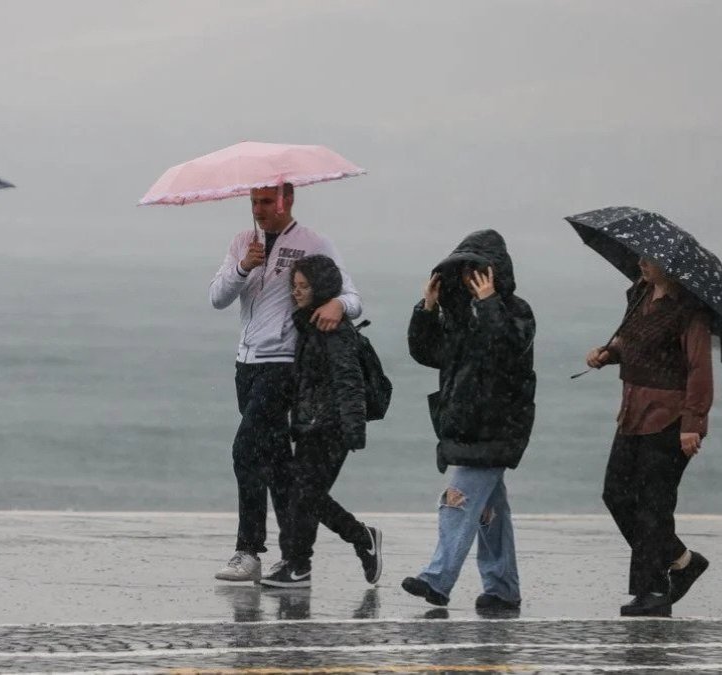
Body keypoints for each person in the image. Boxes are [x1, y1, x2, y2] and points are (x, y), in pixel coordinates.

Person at [209, 183, 362, 582]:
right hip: (246, 364)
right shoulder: (243, 241)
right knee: (279, 467)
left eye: (266, 202)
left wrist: (336, 304)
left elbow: (353, 296)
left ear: (287, 199)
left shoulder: (314, 242)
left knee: (245, 450)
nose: (259, 210)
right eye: (254, 203)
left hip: (282, 365)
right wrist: (244, 267)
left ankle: (248, 550)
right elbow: (217, 297)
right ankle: (300, 558)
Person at [400, 230, 535, 615]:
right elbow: (428, 353)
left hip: (498, 424)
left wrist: (490, 302)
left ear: (496, 272)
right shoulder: (457, 316)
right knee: (491, 513)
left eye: (479, 271)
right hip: (464, 424)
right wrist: (426, 309)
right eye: (463, 271)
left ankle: (436, 578)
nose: (470, 279)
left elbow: (507, 348)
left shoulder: (516, 311)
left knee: (456, 501)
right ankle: (503, 587)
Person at [585, 256, 713, 617]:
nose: (641, 263)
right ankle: (683, 561)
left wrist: (693, 423)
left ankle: (653, 591)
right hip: (631, 413)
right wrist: (608, 353)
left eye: (650, 259)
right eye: (639, 256)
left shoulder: (690, 310)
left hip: (670, 419)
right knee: (617, 494)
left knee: (654, 505)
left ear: (671, 266)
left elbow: (699, 368)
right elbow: (631, 342)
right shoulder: (639, 294)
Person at [257, 254, 382, 588]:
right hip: (311, 424)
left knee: (306, 494)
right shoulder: (310, 323)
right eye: (294, 286)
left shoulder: (331, 328)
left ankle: (359, 537)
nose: (296, 292)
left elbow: (349, 380)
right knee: (303, 495)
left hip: (331, 427)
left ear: (320, 288)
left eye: (304, 286)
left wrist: (353, 430)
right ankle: (299, 566)